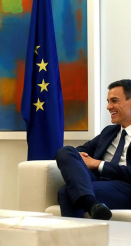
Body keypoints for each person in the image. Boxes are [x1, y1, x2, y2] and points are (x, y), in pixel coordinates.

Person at [56, 79, 131, 220]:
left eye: (114, 101)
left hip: (126, 187)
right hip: (99, 181)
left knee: (66, 192)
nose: (109, 107)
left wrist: (99, 164)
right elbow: (78, 151)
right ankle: (92, 204)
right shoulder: (109, 132)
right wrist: (77, 158)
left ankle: (75, 241)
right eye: (108, 101)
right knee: (66, 151)